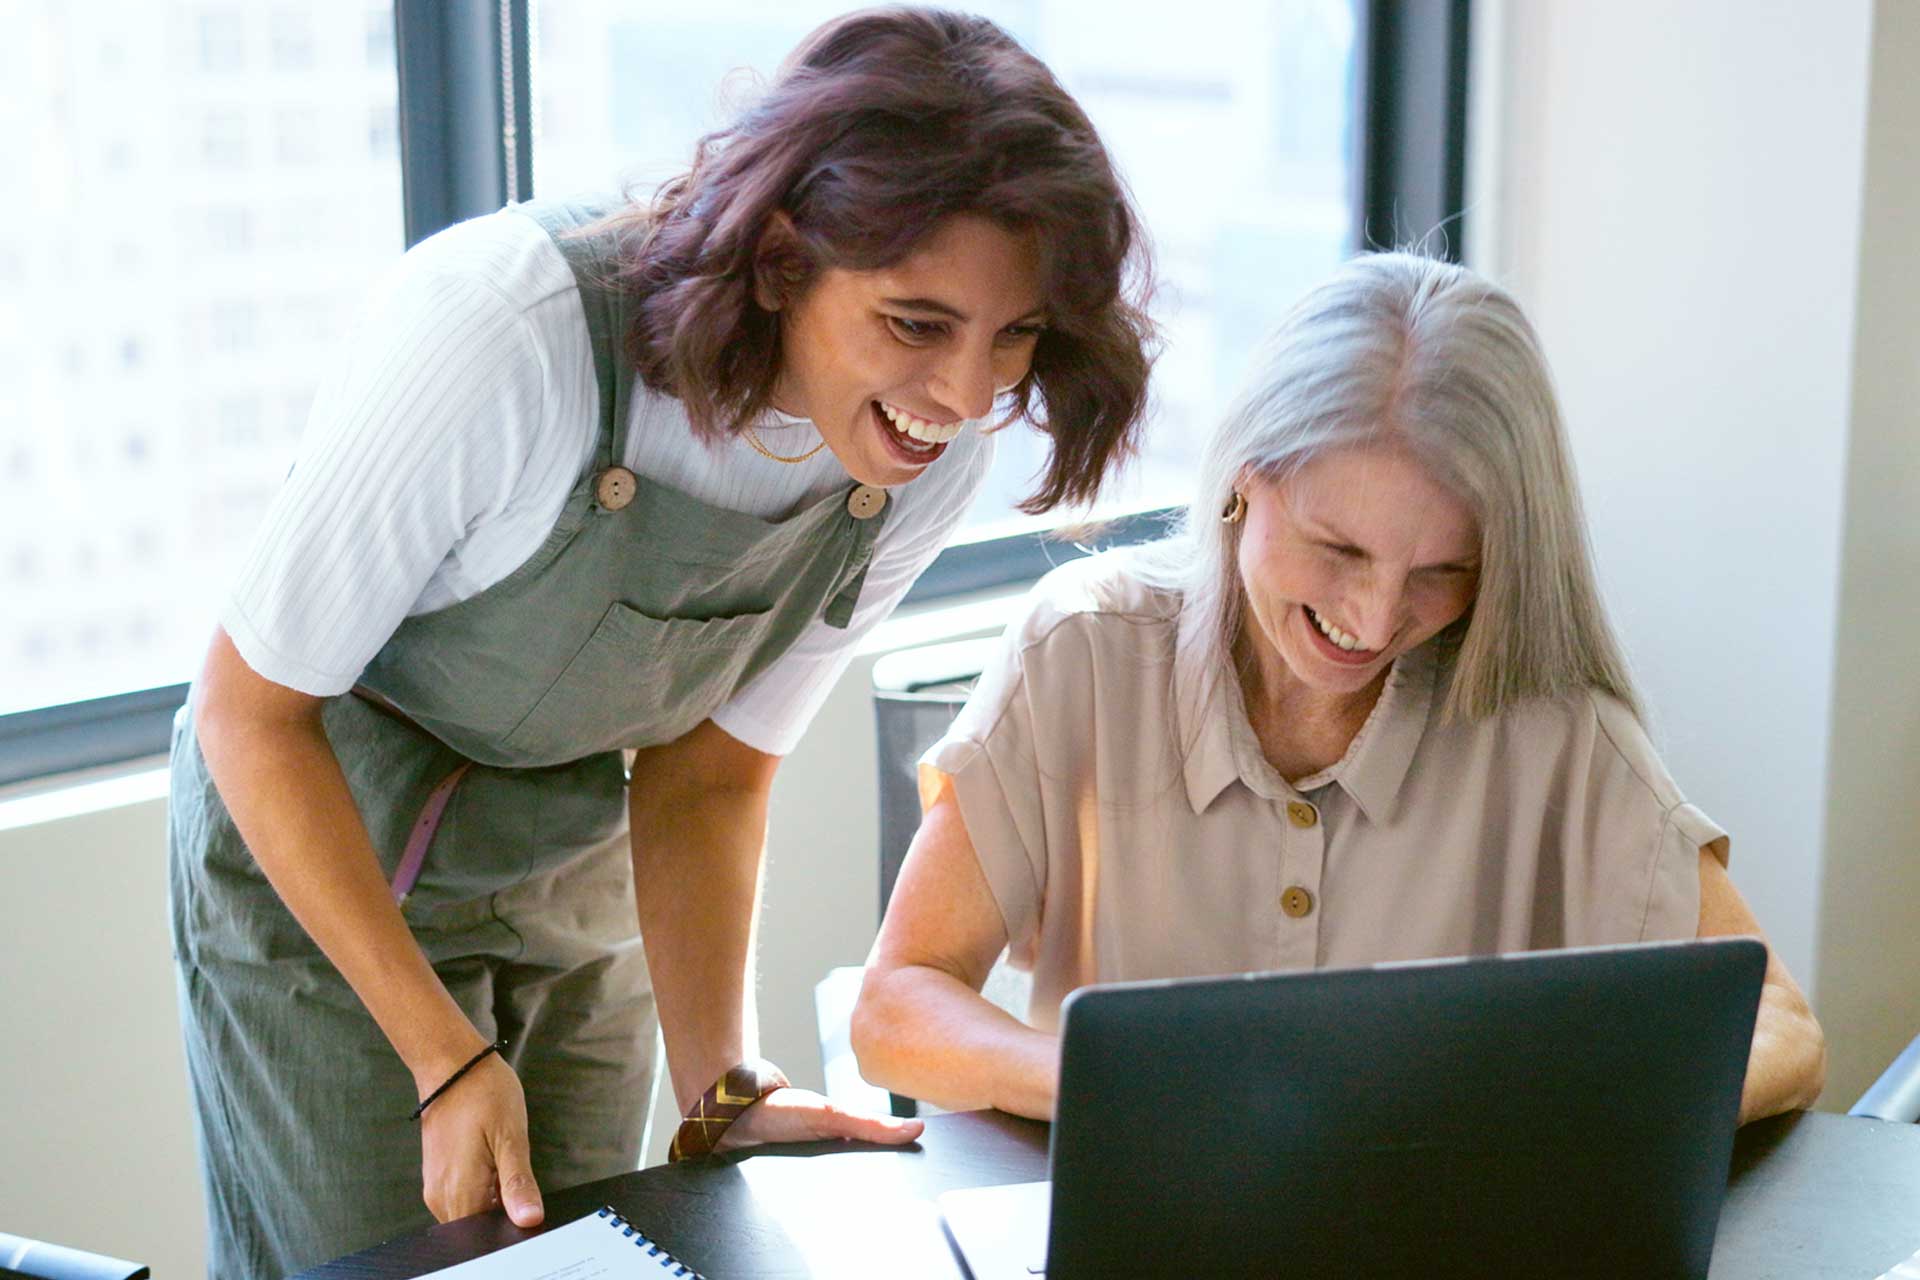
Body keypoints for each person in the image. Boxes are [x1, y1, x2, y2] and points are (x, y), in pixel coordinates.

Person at [167, 8, 1154, 1276]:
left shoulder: (919, 454)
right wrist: (443, 1055)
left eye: (1012, 333)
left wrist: (724, 1085)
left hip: (577, 871)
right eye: (916, 323)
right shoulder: (508, 330)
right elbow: (248, 711)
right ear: (784, 257)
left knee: (607, 1251)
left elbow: (710, 774)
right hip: (324, 848)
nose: (966, 396)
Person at [852, 252, 1828, 1126]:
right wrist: (1125, 1086)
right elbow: (896, 1004)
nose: (1375, 616)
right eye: (1339, 548)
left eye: (1442, 571)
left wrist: (1558, 1111)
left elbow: (1783, 1027)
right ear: (1244, 482)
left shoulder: (1552, 726)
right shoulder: (1083, 648)